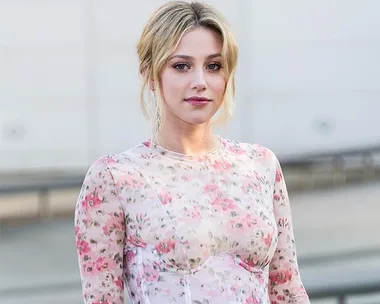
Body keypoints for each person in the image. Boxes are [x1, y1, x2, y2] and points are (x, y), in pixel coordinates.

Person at [74, 1, 310, 303]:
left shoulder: (260, 165)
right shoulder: (115, 178)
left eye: (213, 66)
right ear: (149, 73)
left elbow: (287, 290)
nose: (200, 82)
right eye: (181, 66)